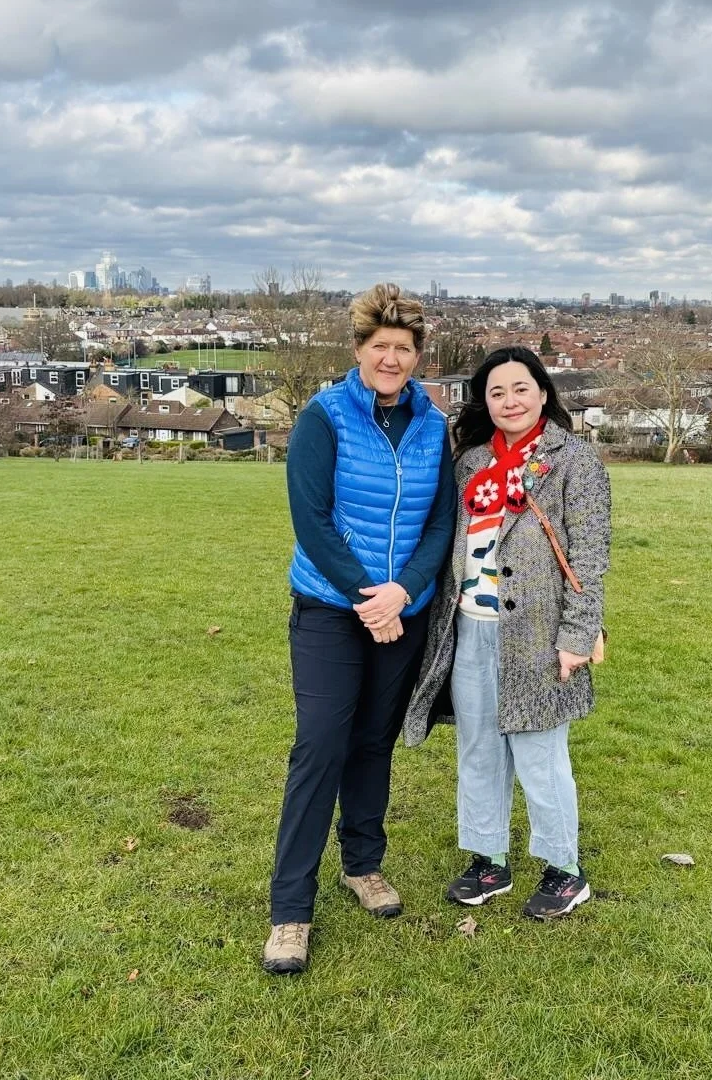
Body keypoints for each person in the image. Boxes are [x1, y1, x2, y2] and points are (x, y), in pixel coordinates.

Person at [263, 284, 455, 975]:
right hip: (330, 611)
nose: (393, 359)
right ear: (359, 350)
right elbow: (310, 519)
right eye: (381, 348)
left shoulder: (433, 423)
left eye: (404, 349)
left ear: (417, 355)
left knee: (374, 741)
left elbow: (441, 521)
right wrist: (364, 595)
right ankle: (290, 909)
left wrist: (402, 592)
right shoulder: (325, 416)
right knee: (320, 746)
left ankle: (363, 864)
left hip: (403, 610)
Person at [403, 346, 611, 920]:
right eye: (497, 392)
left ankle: (564, 869)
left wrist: (579, 632)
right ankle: (487, 858)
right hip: (471, 628)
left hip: (540, 635)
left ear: (543, 393)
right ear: (485, 402)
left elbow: (590, 558)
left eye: (521, 388)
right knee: (478, 752)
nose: (510, 400)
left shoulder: (576, 461)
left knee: (541, 755)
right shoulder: (469, 463)